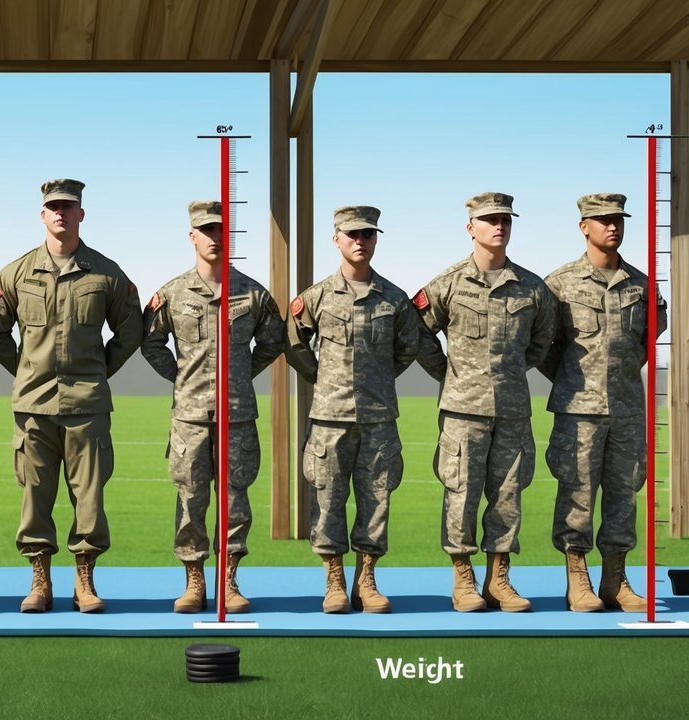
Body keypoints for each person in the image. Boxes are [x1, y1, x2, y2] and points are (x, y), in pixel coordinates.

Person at [0, 178, 143, 613]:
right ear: (42, 215)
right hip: (33, 407)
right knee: (35, 497)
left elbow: (130, 330)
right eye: (53, 207)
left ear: (81, 214)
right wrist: (23, 368)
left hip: (87, 406)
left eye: (68, 207)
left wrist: (99, 371)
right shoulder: (16, 273)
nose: (60, 213)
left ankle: (84, 582)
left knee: (89, 499)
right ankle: (40, 582)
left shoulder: (105, 273)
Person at [414, 192, 557, 613]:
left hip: (512, 409)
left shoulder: (532, 288)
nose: (499, 226)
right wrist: (449, 374)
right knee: (461, 493)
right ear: (470, 227)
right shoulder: (449, 283)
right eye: (489, 219)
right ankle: (463, 579)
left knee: (508, 495)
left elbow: (542, 340)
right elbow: (419, 332)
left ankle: (499, 579)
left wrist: (513, 371)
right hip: (462, 411)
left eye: (505, 220)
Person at [142, 200, 285, 613]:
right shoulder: (172, 293)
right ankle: (193, 581)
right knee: (190, 499)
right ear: (192, 236)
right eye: (206, 230)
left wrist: (240, 375)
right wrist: (181, 377)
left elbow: (273, 342)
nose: (215, 238)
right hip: (189, 418)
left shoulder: (253, 293)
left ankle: (229, 581)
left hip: (236, 415)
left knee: (235, 501)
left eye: (221, 230)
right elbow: (150, 341)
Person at [285, 206, 420, 613]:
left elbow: (407, 348)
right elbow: (294, 344)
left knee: (377, 500)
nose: (360, 241)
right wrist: (322, 380)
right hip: (329, 419)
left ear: (376, 239)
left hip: (378, 419)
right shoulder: (316, 297)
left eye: (368, 234)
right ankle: (333, 580)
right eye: (352, 234)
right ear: (337, 239)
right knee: (326, 502)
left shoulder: (394, 299)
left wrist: (376, 381)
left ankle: (367, 579)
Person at [539, 193, 666, 612]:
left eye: (618, 219)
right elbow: (542, 346)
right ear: (584, 227)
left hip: (627, 409)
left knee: (623, 495)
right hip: (578, 412)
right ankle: (578, 581)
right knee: (576, 495)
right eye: (603, 220)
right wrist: (575, 379)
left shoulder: (643, 286)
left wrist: (618, 375)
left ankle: (615, 579)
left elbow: (647, 342)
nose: (612, 226)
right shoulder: (558, 285)